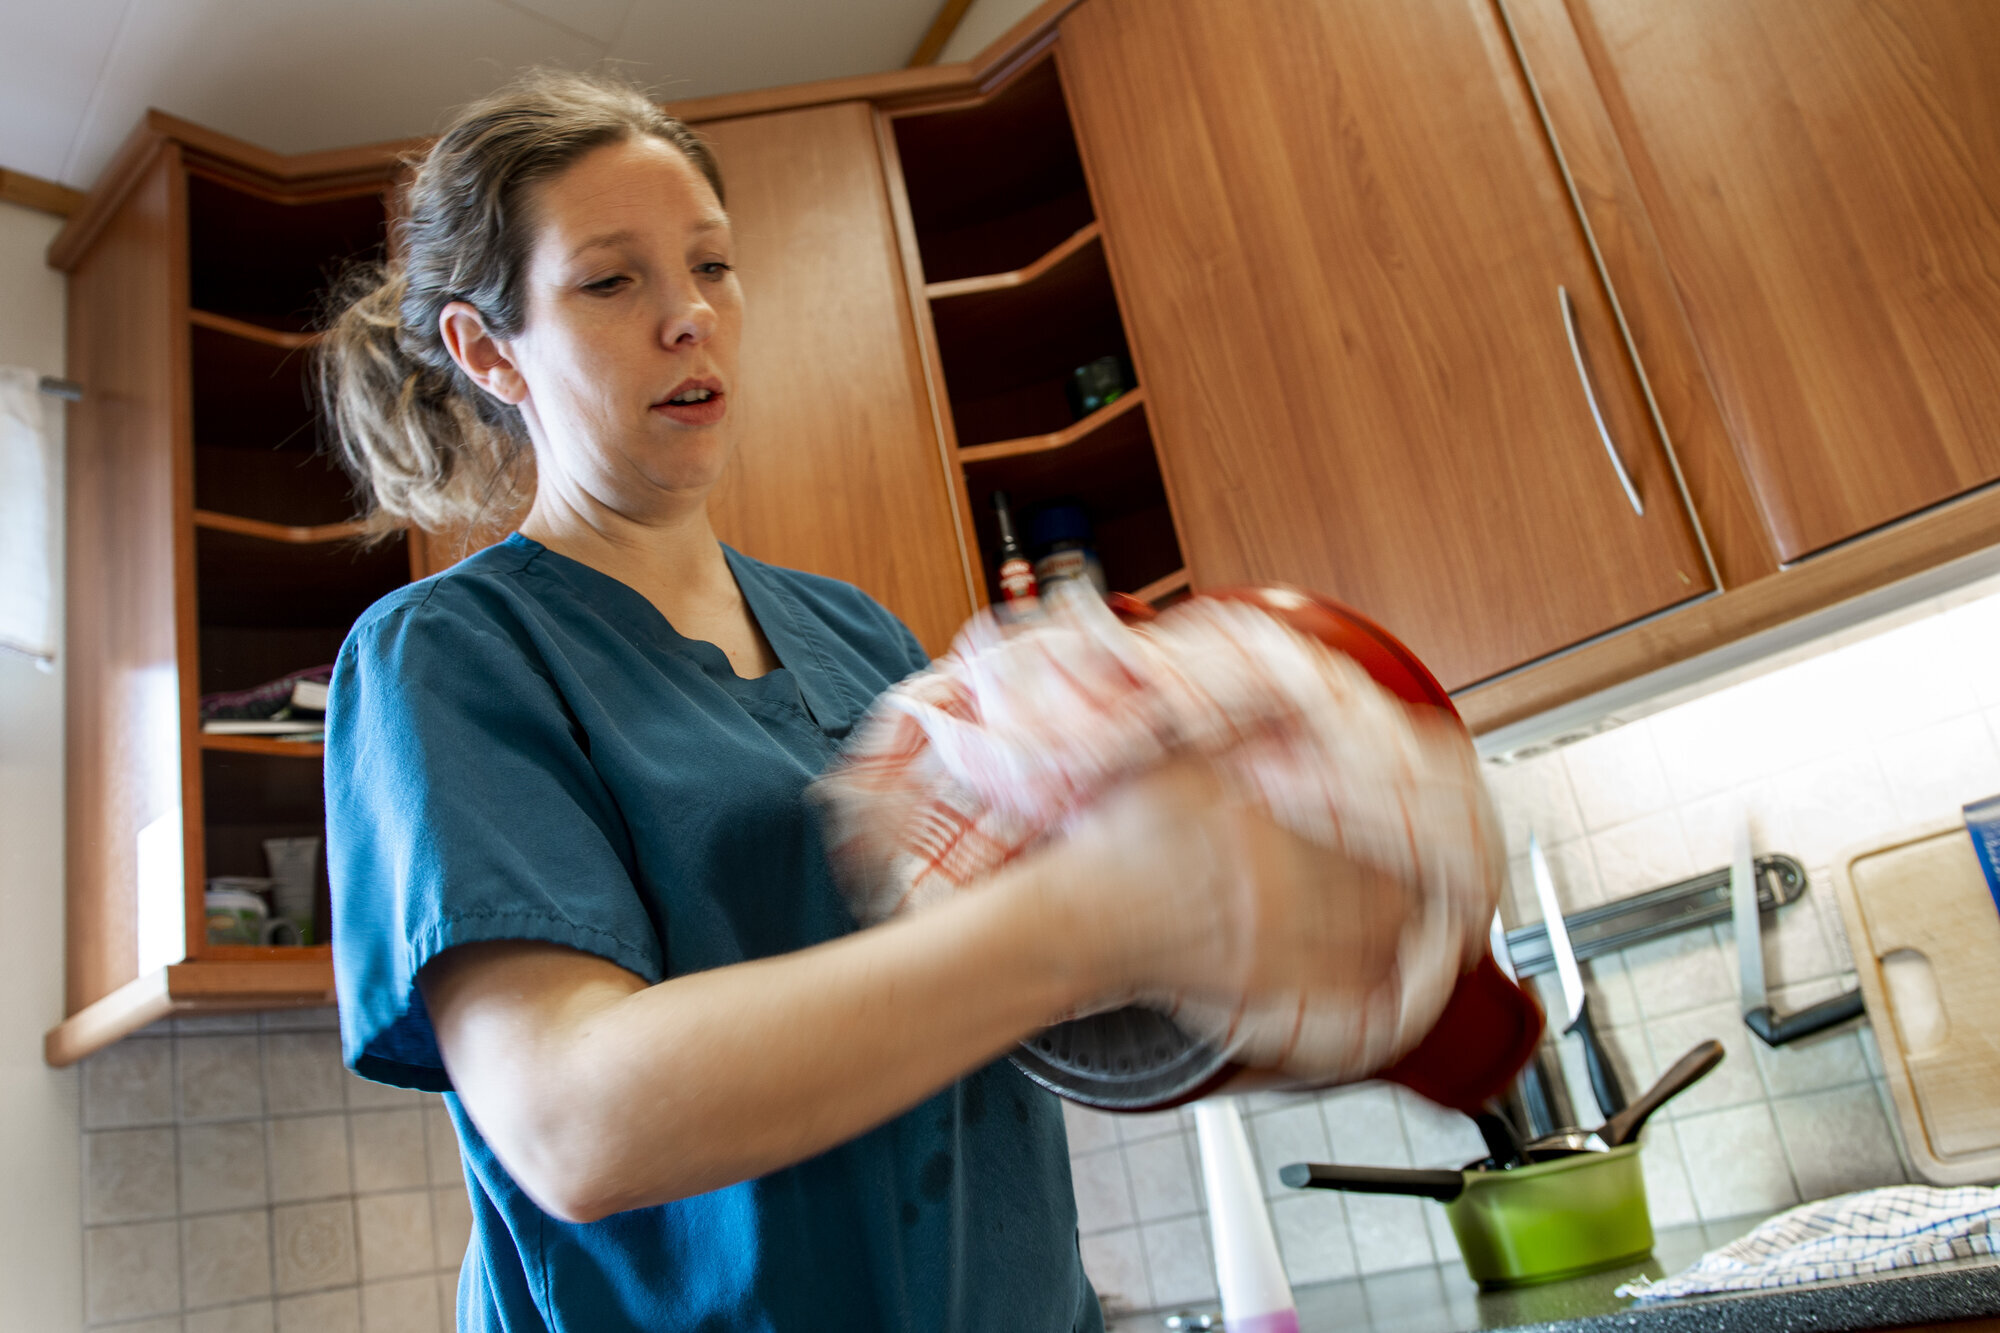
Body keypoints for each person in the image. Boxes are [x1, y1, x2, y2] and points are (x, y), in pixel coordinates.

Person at [320, 70, 1408, 1332]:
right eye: (611, 281)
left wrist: (1235, 889)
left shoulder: (856, 633)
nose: (689, 316)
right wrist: (1089, 917)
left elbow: (1002, 1002)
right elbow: (574, 1122)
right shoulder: (448, 657)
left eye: (712, 266)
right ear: (488, 348)